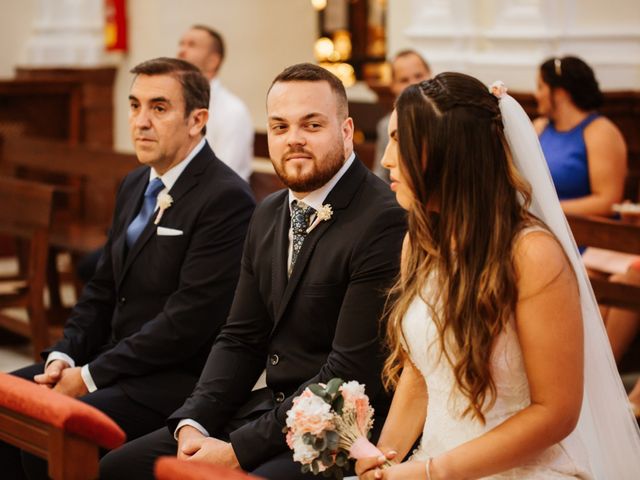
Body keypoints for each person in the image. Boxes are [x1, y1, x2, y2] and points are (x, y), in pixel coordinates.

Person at [99, 62, 406, 480]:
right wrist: (195, 422)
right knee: (122, 467)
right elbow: (240, 336)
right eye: (279, 127)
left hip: (339, 432)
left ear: (347, 130)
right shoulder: (268, 213)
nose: (293, 139)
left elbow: (348, 370)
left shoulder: (381, 221)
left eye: (311, 125)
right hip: (268, 412)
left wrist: (237, 452)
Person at [355, 73, 640, 479]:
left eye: (401, 140)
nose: (385, 159)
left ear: (449, 151)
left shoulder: (532, 255)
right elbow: (421, 374)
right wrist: (384, 459)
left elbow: (556, 412)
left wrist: (432, 472)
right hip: (432, 460)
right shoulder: (418, 243)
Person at [0, 57, 255, 479]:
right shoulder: (136, 183)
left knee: (53, 430)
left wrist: (89, 377)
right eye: (135, 106)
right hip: (114, 362)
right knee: (10, 408)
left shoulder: (225, 199)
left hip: (173, 378)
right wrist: (65, 355)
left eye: (158, 108)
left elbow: (185, 322)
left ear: (197, 120)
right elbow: (102, 286)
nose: (140, 121)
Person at [534, 55, 627, 217]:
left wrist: (545, 211)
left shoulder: (601, 132)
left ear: (560, 93)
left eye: (541, 87)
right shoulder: (539, 127)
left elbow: (607, 201)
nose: (536, 94)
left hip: (584, 232)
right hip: (537, 224)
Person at [178, 25, 254, 182]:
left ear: (213, 61)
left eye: (191, 45)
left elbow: (225, 175)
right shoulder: (177, 104)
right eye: (181, 44)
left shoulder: (233, 111)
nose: (181, 51)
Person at [373, 49, 431, 181]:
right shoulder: (385, 126)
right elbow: (381, 176)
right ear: (393, 85)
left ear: (430, 75)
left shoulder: (446, 117)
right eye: (404, 80)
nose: (413, 85)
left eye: (418, 76)